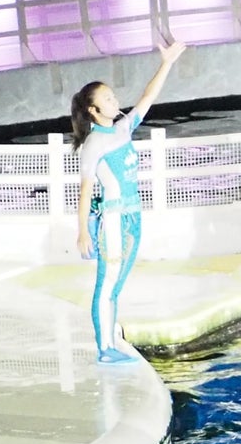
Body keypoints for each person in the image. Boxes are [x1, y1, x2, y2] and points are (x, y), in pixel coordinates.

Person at [72, 28, 185, 364]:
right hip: (113, 219)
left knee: (116, 286)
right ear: (93, 111)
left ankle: (110, 339)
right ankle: (105, 349)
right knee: (106, 284)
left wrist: (166, 63)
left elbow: (148, 98)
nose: (113, 101)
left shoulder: (121, 128)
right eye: (106, 99)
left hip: (133, 217)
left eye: (112, 96)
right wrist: (81, 231)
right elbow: (85, 192)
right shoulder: (93, 145)